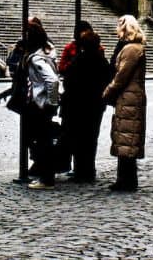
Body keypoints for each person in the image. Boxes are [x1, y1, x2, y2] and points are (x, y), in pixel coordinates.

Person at [59, 21, 113, 182]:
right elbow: (107, 78)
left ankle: (80, 170)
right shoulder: (101, 60)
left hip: (78, 105)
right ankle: (89, 169)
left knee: (78, 137)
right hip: (96, 105)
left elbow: (68, 80)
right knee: (91, 137)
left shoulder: (79, 60)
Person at [102, 15, 147, 192]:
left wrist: (107, 92)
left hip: (128, 96)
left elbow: (121, 76)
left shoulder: (131, 49)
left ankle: (126, 180)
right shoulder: (134, 48)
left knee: (127, 137)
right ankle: (125, 178)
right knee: (125, 137)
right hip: (129, 96)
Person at [24, 21, 60, 189]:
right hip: (43, 103)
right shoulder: (46, 53)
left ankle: (46, 178)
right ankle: (46, 175)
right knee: (43, 140)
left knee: (43, 141)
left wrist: (50, 103)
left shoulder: (37, 58)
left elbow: (52, 80)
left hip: (40, 104)